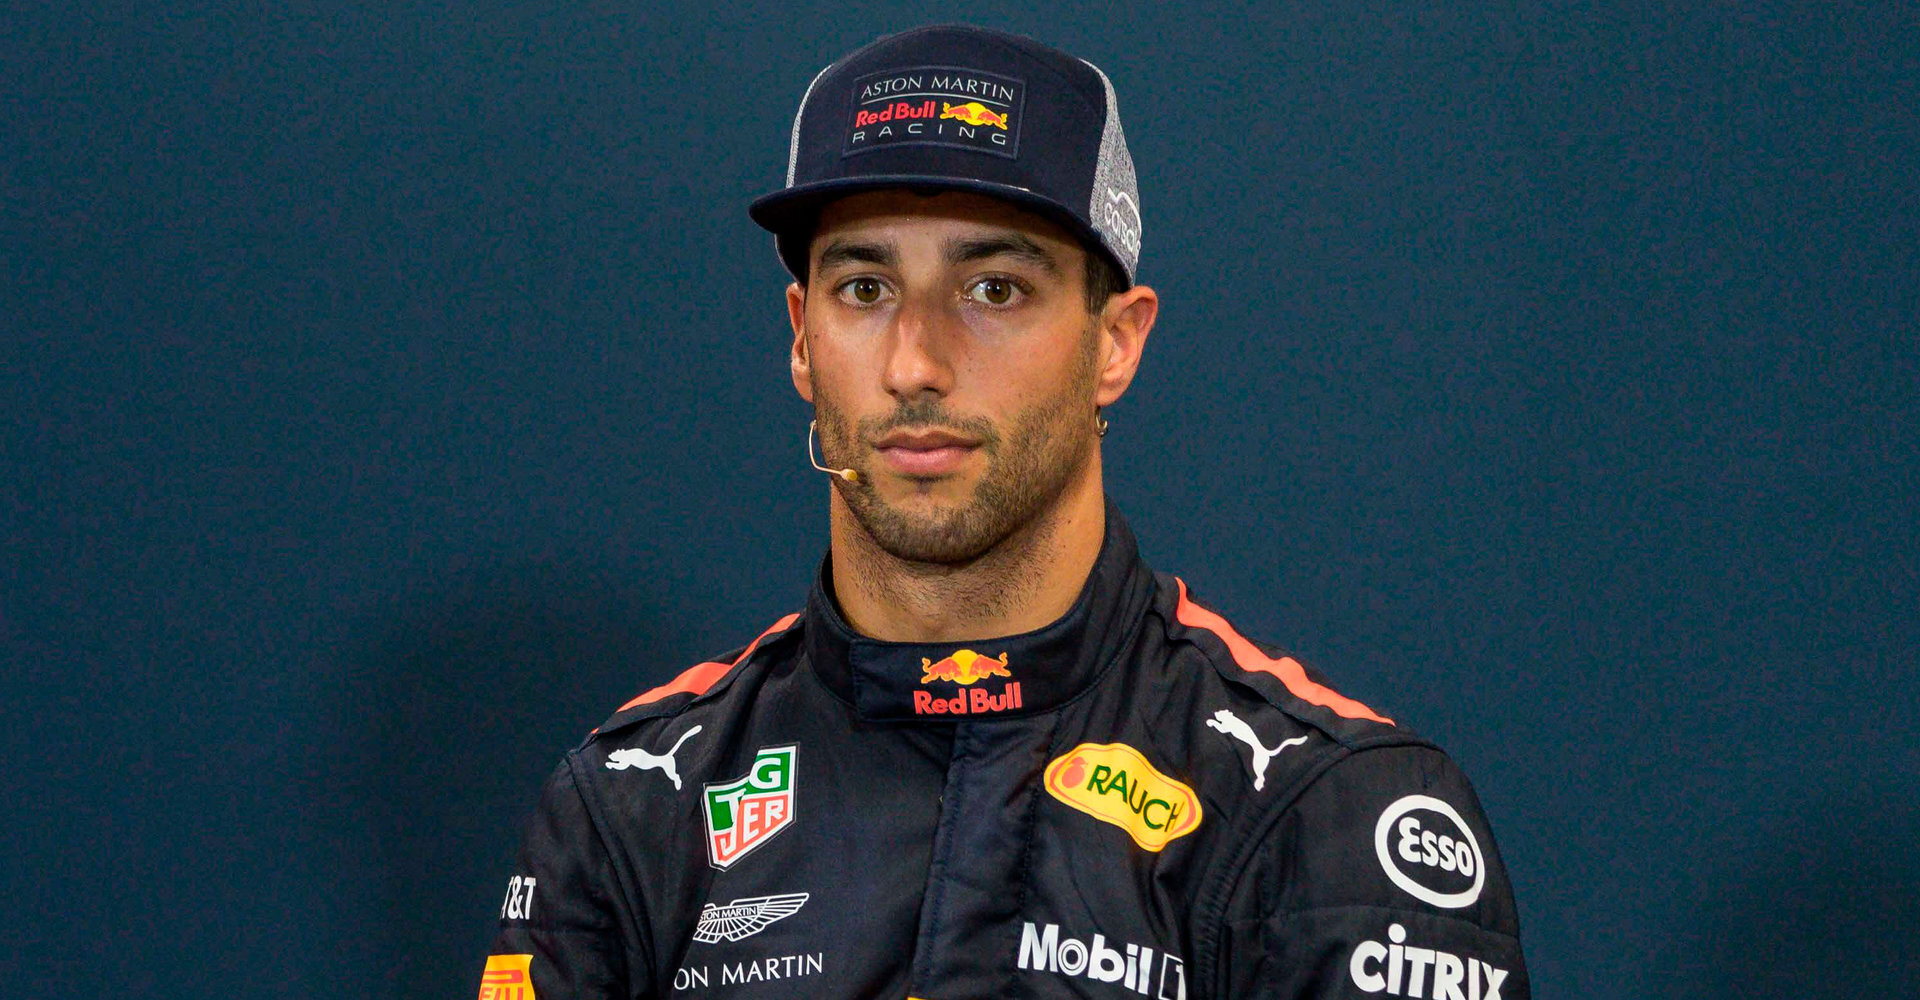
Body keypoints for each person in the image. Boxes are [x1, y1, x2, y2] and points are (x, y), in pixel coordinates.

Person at [478, 24, 1528, 1000]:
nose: (914, 364)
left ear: (1116, 341)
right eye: (864, 289)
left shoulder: (1333, 812)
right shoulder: (630, 805)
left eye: (995, 290)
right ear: (801, 337)